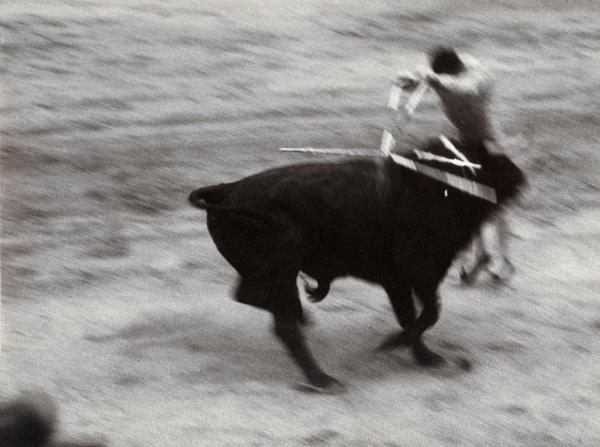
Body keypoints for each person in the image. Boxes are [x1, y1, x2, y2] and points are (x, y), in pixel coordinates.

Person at [395, 47, 514, 285]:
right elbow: (415, 80)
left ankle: (498, 261)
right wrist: (407, 78)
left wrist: (433, 78)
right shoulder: (440, 72)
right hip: (465, 143)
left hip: (490, 144)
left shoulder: (476, 74)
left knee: (492, 206)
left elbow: (466, 87)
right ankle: (483, 256)